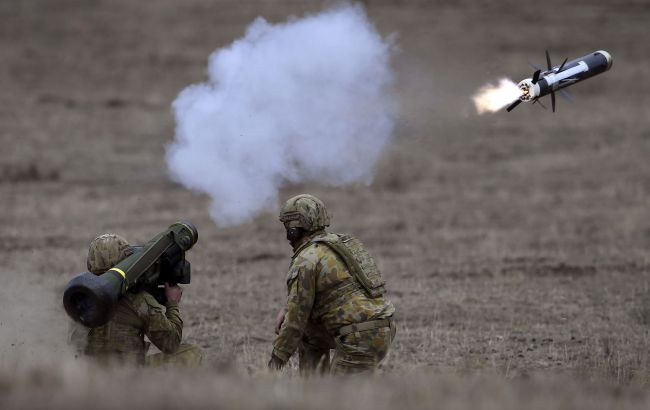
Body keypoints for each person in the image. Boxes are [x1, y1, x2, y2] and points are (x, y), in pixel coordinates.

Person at [269, 194, 396, 375]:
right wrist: (287, 308)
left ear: (293, 229)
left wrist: (274, 364)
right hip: (382, 327)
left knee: (337, 399)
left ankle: (319, 396)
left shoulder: (306, 259)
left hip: (360, 337)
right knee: (308, 335)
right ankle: (312, 392)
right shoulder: (341, 244)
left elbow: (293, 324)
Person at [68, 233, 202, 366]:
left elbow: (74, 346)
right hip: (131, 376)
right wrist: (172, 304)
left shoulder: (80, 298)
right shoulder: (139, 302)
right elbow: (170, 343)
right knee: (192, 353)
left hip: (91, 375)